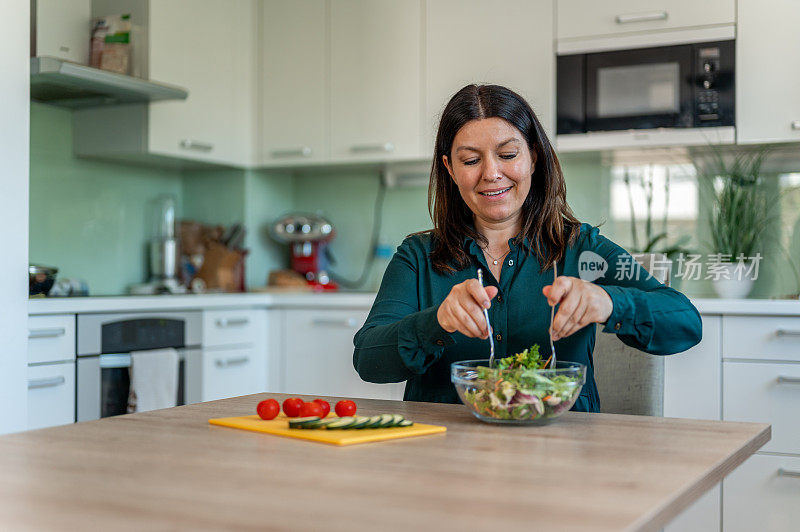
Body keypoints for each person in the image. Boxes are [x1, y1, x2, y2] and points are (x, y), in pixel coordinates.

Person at [353, 84, 702, 412]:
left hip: (563, 449)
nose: (491, 173)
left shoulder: (581, 249)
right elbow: (368, 360)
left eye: (507, 154)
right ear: (450, 169)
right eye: (471, 160)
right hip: (447, 454)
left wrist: (609, 302)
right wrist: (437, 321)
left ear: (533, 157)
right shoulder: (417, 256)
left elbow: (686, 323)